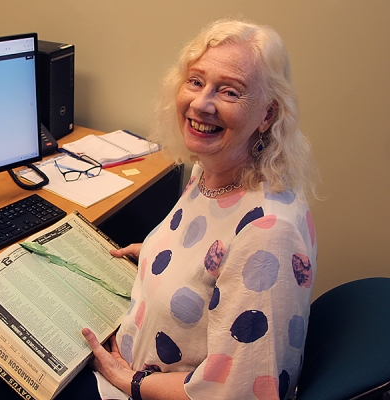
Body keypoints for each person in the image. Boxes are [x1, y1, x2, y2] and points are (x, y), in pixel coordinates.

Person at [81, 18, 319, 400]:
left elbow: (240, 392)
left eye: (229, 92)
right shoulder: (210, 171)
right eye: (195, 81)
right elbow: (215, 258)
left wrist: (130, 382)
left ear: (267, 115)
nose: (201, 103)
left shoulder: (268, 232)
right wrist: (157, 257)